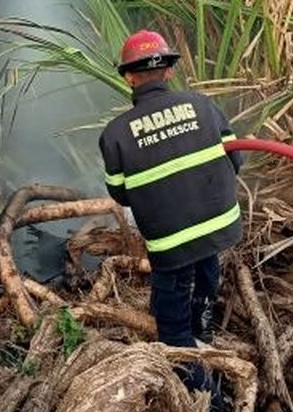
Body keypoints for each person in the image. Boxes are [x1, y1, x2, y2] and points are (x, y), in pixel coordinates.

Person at [98, 29, 243, 404]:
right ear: (168, 71)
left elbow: (120, 194)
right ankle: (204, 327)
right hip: (220, 226)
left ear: (129, 77)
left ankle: (210, 401)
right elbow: (236, 159)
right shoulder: (203, 105)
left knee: (171, 329)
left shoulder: (115, 135)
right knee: (204, 265)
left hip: (171, 245)